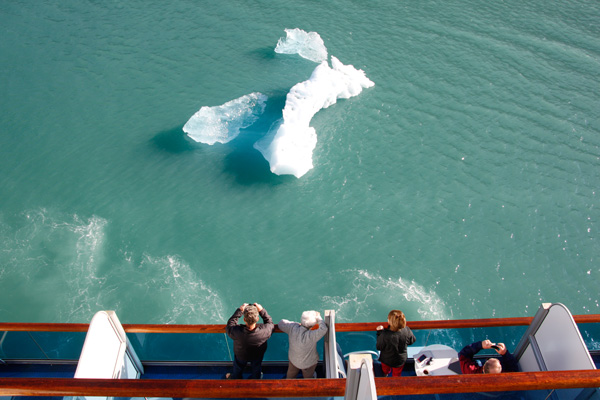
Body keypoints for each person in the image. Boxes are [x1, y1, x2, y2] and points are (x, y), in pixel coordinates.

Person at [225, 303, 274, 379]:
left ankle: (236, 378)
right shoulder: (264, 331)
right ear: (257, 319)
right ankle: (256, 378)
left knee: (238, 367)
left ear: (244, 319)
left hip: (241, 355)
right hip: (257, 355)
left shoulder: (237, 332)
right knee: (256, 367)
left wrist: (240, 310)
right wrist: (261, 310)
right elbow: (270, 323)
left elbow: (230, 325)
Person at [278, 310, 329, 379]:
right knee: (308, 378)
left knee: (291, 373)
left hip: (294, 360)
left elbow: (281, 323)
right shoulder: (311, 336)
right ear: (312, 325)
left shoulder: (292, 328)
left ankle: (288, 385)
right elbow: (323, 329)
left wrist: (294, 324)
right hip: (308, 364)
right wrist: (319, 318)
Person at [376, 309, 416, 377]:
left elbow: (379, 347)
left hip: (386, 359)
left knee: (385, 370)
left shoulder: (384, 335)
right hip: (400, 360)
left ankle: (385, 375)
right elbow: (412, 341)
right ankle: (395, 382)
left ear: (389, 322)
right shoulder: (407, 330)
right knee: (397, 373)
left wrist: (380, 332)